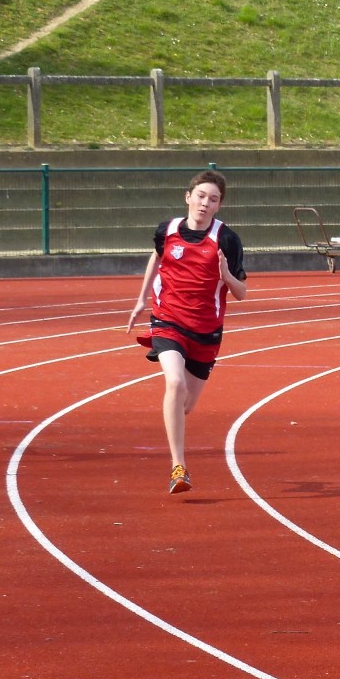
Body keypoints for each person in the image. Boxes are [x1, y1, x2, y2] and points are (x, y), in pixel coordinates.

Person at [127, 169, 247, 495]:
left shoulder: (227, 240)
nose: (205, 203)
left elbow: (241, 292)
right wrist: (140, 299)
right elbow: (157, 256)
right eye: (201, 196)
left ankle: (173, 426)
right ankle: (178, 466)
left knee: (185, 404)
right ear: (188, 196)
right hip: (168, 319)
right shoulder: (166, 231)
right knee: (174, 382)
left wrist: (225, 273)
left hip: (206, 332)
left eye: (213, 199)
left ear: (219, 205)